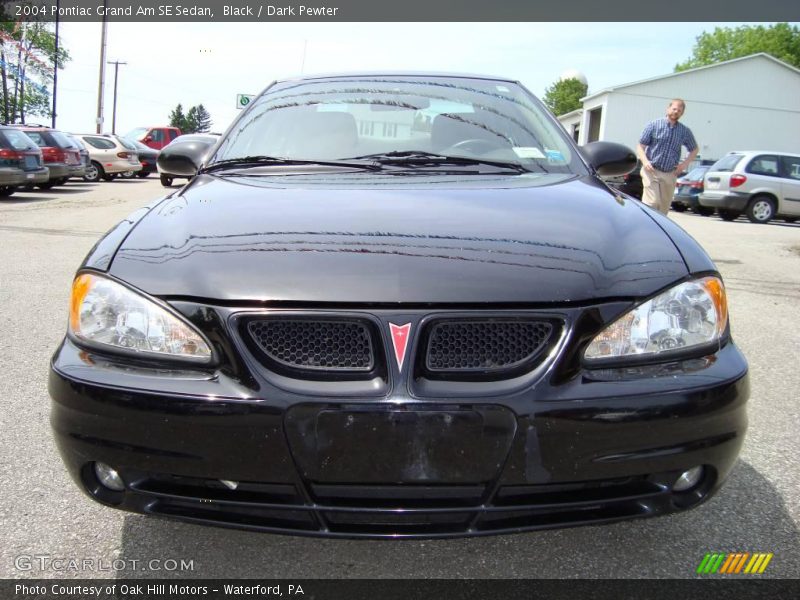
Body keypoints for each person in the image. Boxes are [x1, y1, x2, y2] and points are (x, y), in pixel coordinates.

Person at [637, 99, 698, 216]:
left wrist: (683, 165)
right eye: (674, 109)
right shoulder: (653, 125)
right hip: (652, 171)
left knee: (663, 209)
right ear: (668, 109)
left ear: (682, 113)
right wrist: (645, 162)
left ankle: (657, 232)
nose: (676, 112)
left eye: (679, 111)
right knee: (652, 202)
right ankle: (644, 226)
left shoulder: (684, 131)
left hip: (670, 173)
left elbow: (694, 149)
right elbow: (640, 146)